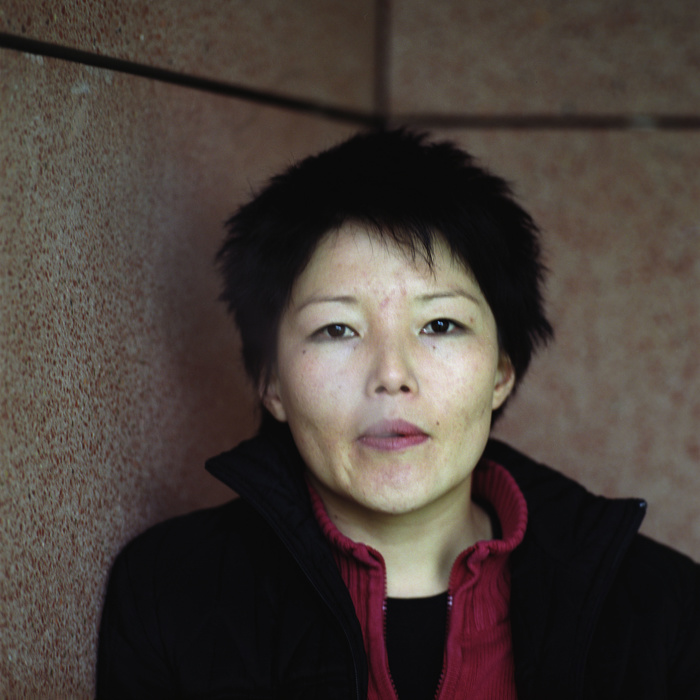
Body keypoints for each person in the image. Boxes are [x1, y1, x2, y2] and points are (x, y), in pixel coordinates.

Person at [97, 129, 700, 699]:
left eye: (440, 324)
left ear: (501, 372)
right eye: (337, 329)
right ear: (271, 383)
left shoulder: (662, 609)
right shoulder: (171, 593)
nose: (391, 374)